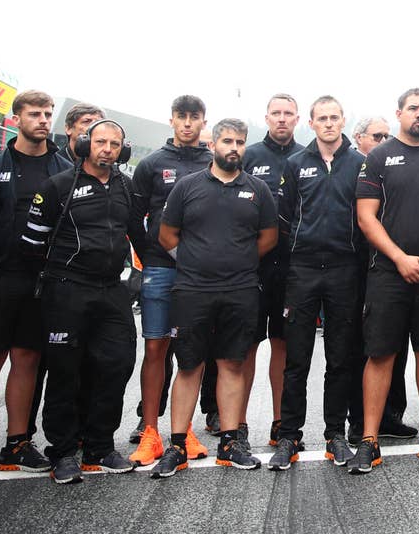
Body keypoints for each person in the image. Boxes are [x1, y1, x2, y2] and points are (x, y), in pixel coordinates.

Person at [151, 119, 279, 477]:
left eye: (240, 141)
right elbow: (166, 235)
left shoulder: (258, 190)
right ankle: (177, 445)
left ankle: (229, 442)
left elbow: (268, 237)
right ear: (213, 145)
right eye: (227, 140)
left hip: (240, 291)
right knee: (189, 365)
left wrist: (237, 261)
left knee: (232, 364)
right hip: (192, 291)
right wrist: (195, 262)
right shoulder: (187, 187)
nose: (234, 147)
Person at [0, 90, 74, 485]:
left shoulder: (64, 167)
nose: (43, 120)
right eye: (35, 113)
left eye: (47, 114)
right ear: (17, 118)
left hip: (41, 281)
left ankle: (17, 442)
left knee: (27, 359)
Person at [349, 89, 419, 473]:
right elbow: (366, 217)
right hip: (388, 273)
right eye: (413, 108)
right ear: (399, 113)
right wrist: (400, 258)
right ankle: (369, 439)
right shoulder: (379, 158)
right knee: (380, 353)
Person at [22, 118, 139, 483]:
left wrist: (144, 277)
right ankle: (62, 451)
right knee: (64, 371)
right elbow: (31, 244)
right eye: (100, 142)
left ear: (123, 150)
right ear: (87, 144)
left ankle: (100, 445)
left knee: (117, 364)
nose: (107, 149)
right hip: (67, 288)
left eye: (114, 144)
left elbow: (139, 237)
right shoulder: (58, 186)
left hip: (111, 290)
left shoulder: (126, 186)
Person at [270, 97, 366, 470]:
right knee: (297, 358)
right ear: (310, 123)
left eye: (334, 118)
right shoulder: (295, 164)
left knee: (340, 357)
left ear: (343, 120)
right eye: (321, 118)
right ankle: (289, 435)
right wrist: (300, 246)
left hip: (344, 269)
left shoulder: (360, 164)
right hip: (303, 270)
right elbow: (282, 216)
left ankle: (335, 435)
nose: (328, 124)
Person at [126, 95, 212, 466]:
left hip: (199, 273)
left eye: (195, 118)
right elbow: (134, 217)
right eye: (182, 117)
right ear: (172, 119)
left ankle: (185, 428)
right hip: (160, 268)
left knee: (191, 351)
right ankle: (150, 433)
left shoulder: (212, 162)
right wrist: (150, 255)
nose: (188, 124)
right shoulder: (151, 164)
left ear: (203, 121)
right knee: (156, 349)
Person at [346, 114, 415, 444]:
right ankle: (359, 420)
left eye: (387, 134)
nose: (384, 140)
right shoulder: (355, 166)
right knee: (365, 347)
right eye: (377, 135)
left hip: (390, 265)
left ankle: (391, 414)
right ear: (359, 137)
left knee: (395, 345)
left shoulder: (395, 164)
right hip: (354, 265)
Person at [240, 93, 303, 447]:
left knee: (283, 345)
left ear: (297, 119)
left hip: (291, 268)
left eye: (288, 114)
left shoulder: (306, 157)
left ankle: (281, 422)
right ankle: (239, 422)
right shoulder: (249, 156)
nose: (282, 119)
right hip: (251, 266)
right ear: (266, 118)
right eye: (276, 113)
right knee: (246, 346)